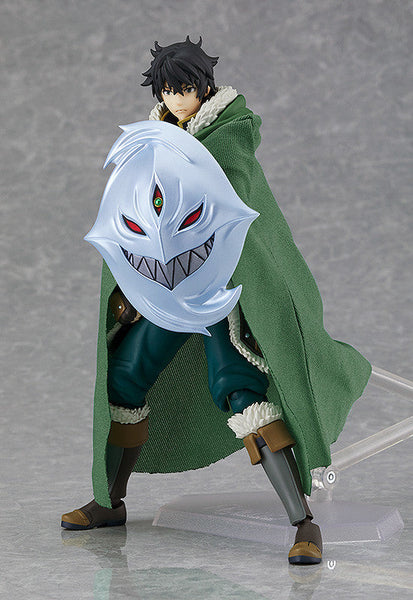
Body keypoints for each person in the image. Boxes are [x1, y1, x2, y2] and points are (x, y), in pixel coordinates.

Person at [61, 37, 371, 565]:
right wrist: (136, 280)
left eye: (184, 89)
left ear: (204, 88)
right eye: (167, 90)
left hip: (222, 293)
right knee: (125, 375)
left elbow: (246, 225)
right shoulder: (154, 143)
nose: (176, 99)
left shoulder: (230, 140)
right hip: (169, 288)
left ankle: (303, 522)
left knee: (241, 392)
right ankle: (110, 502)